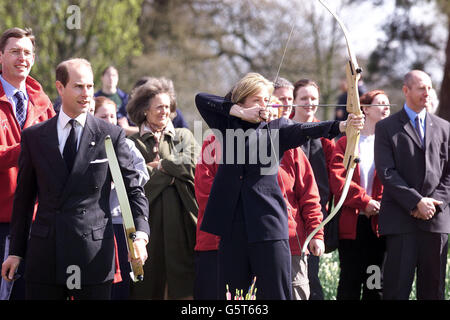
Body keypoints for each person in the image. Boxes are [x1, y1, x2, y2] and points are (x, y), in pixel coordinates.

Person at [195, 72, 364, 300]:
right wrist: (241, 112)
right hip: (232, 230)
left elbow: (308, 130)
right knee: (234, 297)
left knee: (277, 294)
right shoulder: (226, 126)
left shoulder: (277, 129)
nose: (264, 105)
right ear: (241, 101)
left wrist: (344, 125)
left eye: (266, 100)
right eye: (257, 100)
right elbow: (201, 99)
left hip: (269, 228)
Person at [1, 58, 149, 300]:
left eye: (90, 87)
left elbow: (133, 190)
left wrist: (140, 236)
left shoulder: (109, 135)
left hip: (93, 258)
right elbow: (24, 200)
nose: (86, 94)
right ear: (60, 87)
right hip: (46, 257)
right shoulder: (35, 137)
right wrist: (16, 251)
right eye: (78, 86)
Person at [374, 70, 450, 300]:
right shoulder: (386, 128)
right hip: (401, 221)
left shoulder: (445, 127)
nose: (427, 92)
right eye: (421, 88)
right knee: (396, 290)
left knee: (433, 292)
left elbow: (449, 175)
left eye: (429, 87)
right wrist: (416, 201)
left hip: (435, 222)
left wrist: (434, 204)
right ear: (406, 90)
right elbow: (386, 172)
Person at [126, 77, 200, 300]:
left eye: (167, 107)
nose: (164, 111)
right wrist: (173, 175)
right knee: (148, 286)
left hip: (183, 225)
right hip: (148, 226)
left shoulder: (183, 135)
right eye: (159, 107)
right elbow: (137, 182)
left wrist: (160, 165)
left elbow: (194, 165)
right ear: (145, 110)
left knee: (184, 289)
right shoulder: (133, 142)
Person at [0, 27, 55, 300]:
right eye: (14, 52)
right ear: (0, 56)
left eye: (27, 52)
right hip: (2, 221)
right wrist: (28, 147)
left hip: (37, 222)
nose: (22, 58)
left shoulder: (44, 103)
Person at [329, 90, 390, 300]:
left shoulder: (390, 143)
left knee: (375, 283)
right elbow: (338, 181)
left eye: (388, 104)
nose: (386, 108)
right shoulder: (346, 143)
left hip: (379, 225)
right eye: (380, 103)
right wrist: (365, 201)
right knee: (350, 281)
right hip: (353, 224)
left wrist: (379, 204)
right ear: (365, 109)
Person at [93, 96, 150, 299]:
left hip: (120, 221)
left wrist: (119, 181)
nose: (109, 120)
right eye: (103, 116)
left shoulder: (127, 144)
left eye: (112, 116)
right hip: (94, 223)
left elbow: (141, 173)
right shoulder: (88, 145)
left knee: (122, 283)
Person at [291, 78, 335, 300]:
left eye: (314, 99)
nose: (309, 103)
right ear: (293, 101)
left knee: (311, 277)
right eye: (304, 98)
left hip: (315, 217)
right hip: (287, 218)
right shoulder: (283, 132)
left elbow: (333, 179)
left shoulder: (326, 138)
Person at [95, 66, 137, 136]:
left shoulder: (127, 99)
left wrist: (127, 128)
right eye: (108, 75)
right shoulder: (94, 99)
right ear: (102, 78)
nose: (111, 78)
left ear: (117, 78)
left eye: (114, 75)